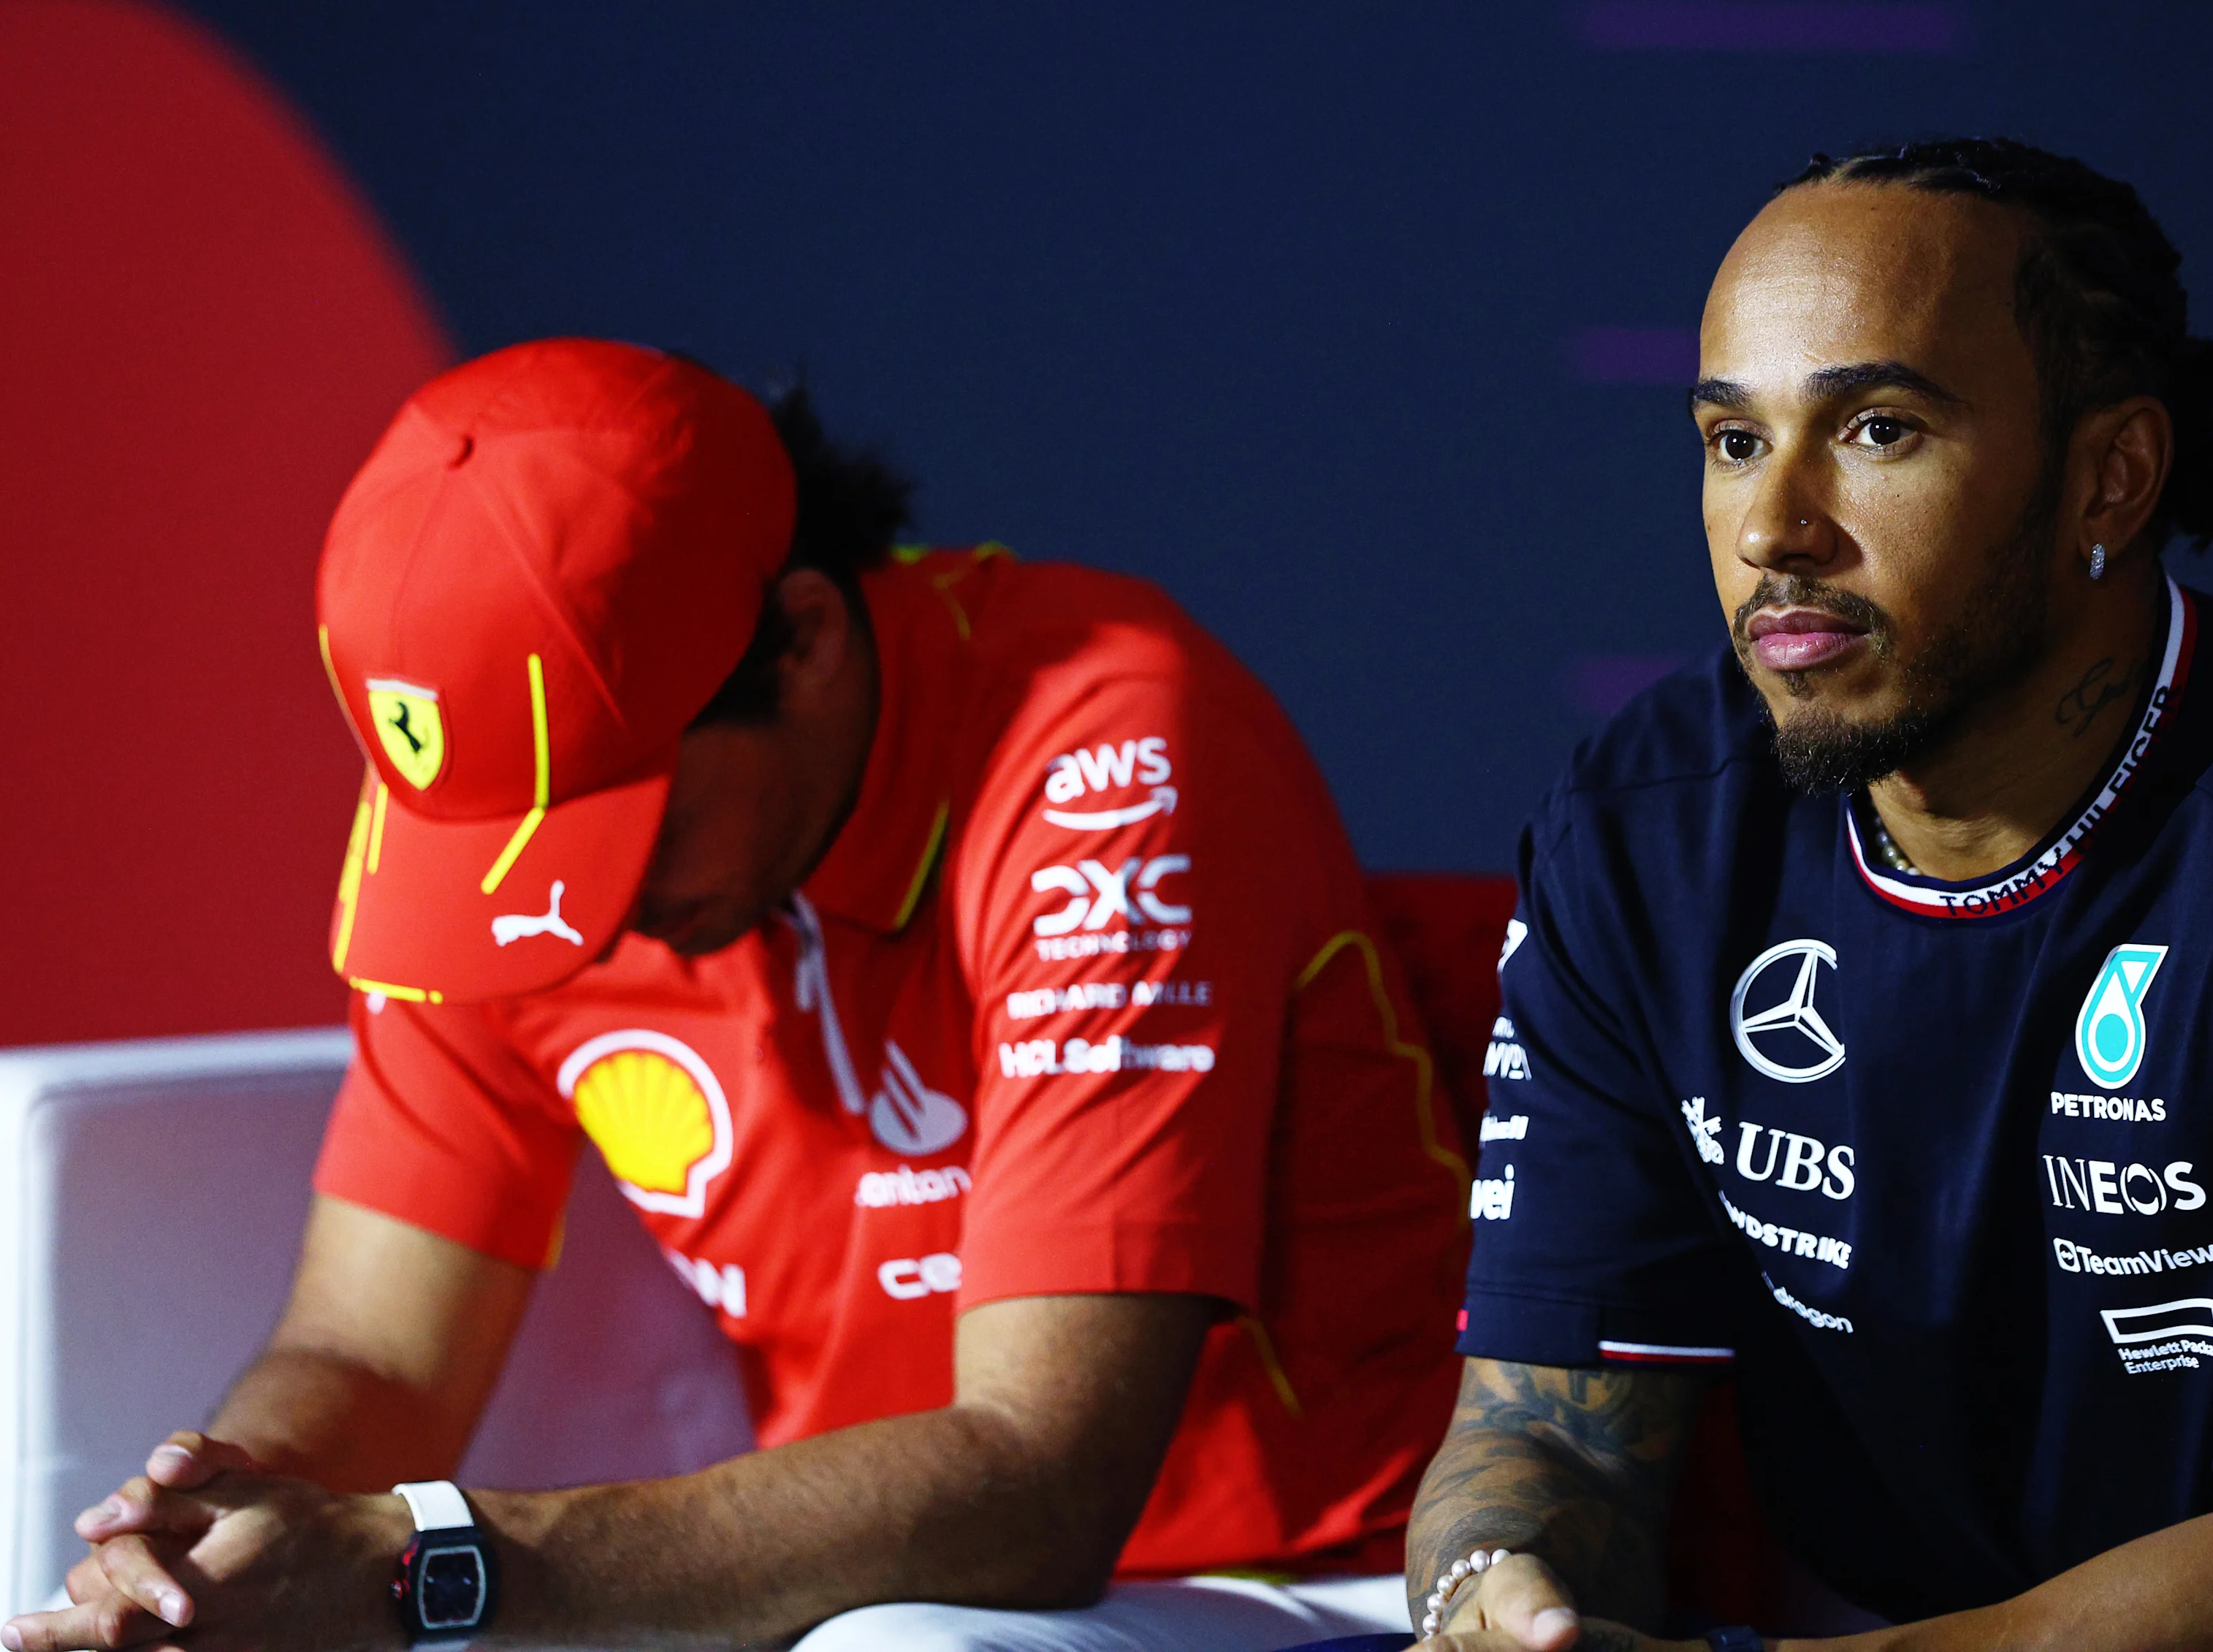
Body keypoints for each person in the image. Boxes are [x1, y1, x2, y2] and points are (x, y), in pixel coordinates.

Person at [7, 339, 1469, 1652]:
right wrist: (215, 1543)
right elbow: (373, 1349)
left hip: (1324, 1575)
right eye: (506, 851)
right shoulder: (494, 819)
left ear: (806, 637)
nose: (566, 914)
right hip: (860, 1584)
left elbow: (1043, 1475)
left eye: (615, 828)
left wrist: (432, 1561)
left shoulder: (1106, 739)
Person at [1406, 138, 2213, 1651]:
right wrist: (1497, 1601)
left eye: (1879, 428)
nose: (1774, 526)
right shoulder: (1642, 833)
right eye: (1731, 442)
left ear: (2111, 471)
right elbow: (1552, 1431)